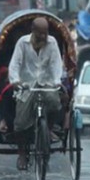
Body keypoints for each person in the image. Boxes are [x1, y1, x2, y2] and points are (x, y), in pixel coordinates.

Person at [8, 17, 64, 170]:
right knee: (20, 122)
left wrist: (57, 80)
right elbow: (15, 64)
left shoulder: (52, 43)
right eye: (40, 34)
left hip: (46, 83)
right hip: (27, 85)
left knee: (55, 103)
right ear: (33, 31)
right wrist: (15, 80)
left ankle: (49, 129)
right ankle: (22, 154)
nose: (43, 37)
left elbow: (56, 64)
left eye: (45, 33)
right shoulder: (22, 43)